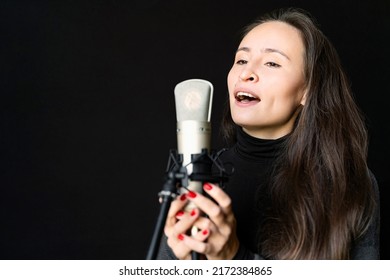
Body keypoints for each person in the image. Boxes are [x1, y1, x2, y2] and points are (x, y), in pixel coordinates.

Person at [156, 7, 380, 260]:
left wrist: (235, 257)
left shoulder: (348, 182)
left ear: (308, 90)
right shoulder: (197, 177)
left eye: (272, 63)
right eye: (241, 60)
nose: (246, 73)